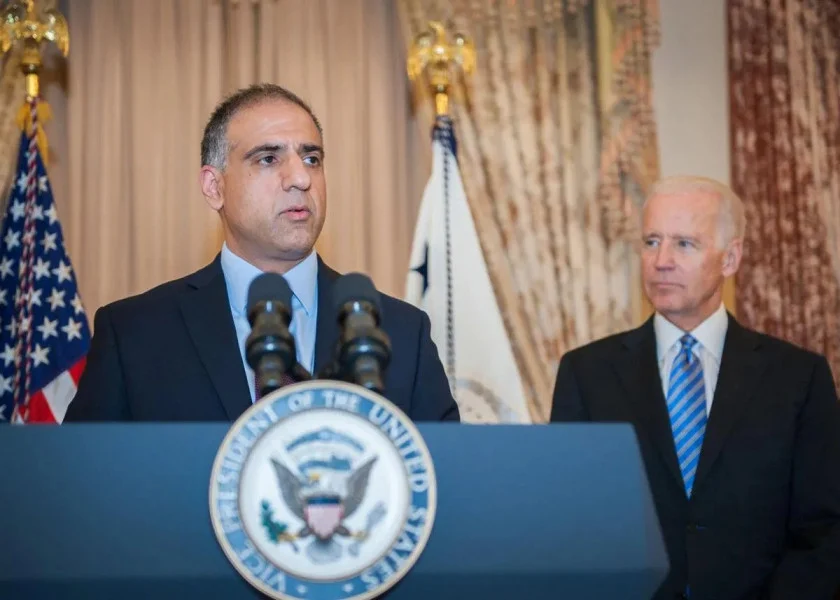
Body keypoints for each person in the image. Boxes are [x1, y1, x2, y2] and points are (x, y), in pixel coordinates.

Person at [65, 83, 459, 423]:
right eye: (268, 159)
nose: (301, 178)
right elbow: (85, 479)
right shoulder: (134, 334)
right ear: (214, 187)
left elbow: (445, 476)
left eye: (312, 159)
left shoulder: (402, 333)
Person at [550, 175, 840, 600]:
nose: (661, 260)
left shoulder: (798, 378)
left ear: (730, 258)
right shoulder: (586, 373)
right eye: (651, 242)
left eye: (684, 244)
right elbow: (568, 522)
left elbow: (824, 531)